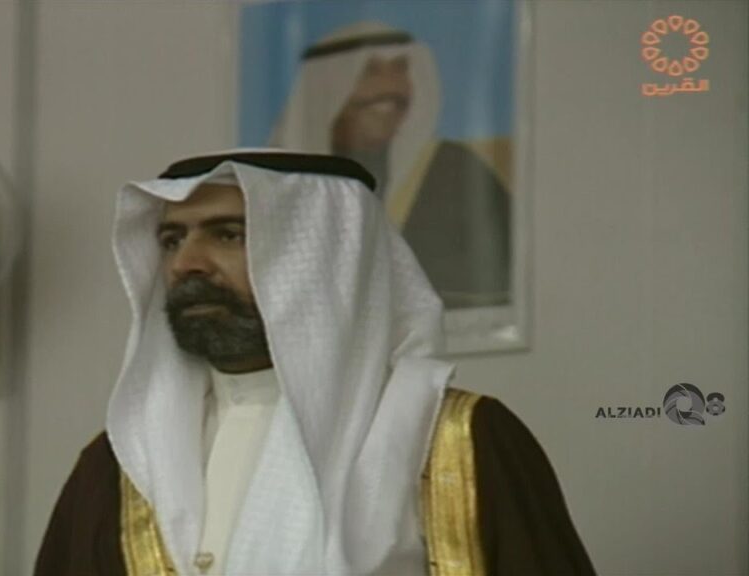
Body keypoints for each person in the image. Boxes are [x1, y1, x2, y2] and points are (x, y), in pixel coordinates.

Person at [34, 150, 595, 575]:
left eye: (229, 235)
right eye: (172, 240)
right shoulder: (118, 467)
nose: (187, 264)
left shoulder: (456, 443)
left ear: (325, 256)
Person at [269, 22, 512, 309]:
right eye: (369, 70)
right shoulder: (277, 186)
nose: (391, 86)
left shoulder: (453, 170)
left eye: (400, 68)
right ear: (325, 89)